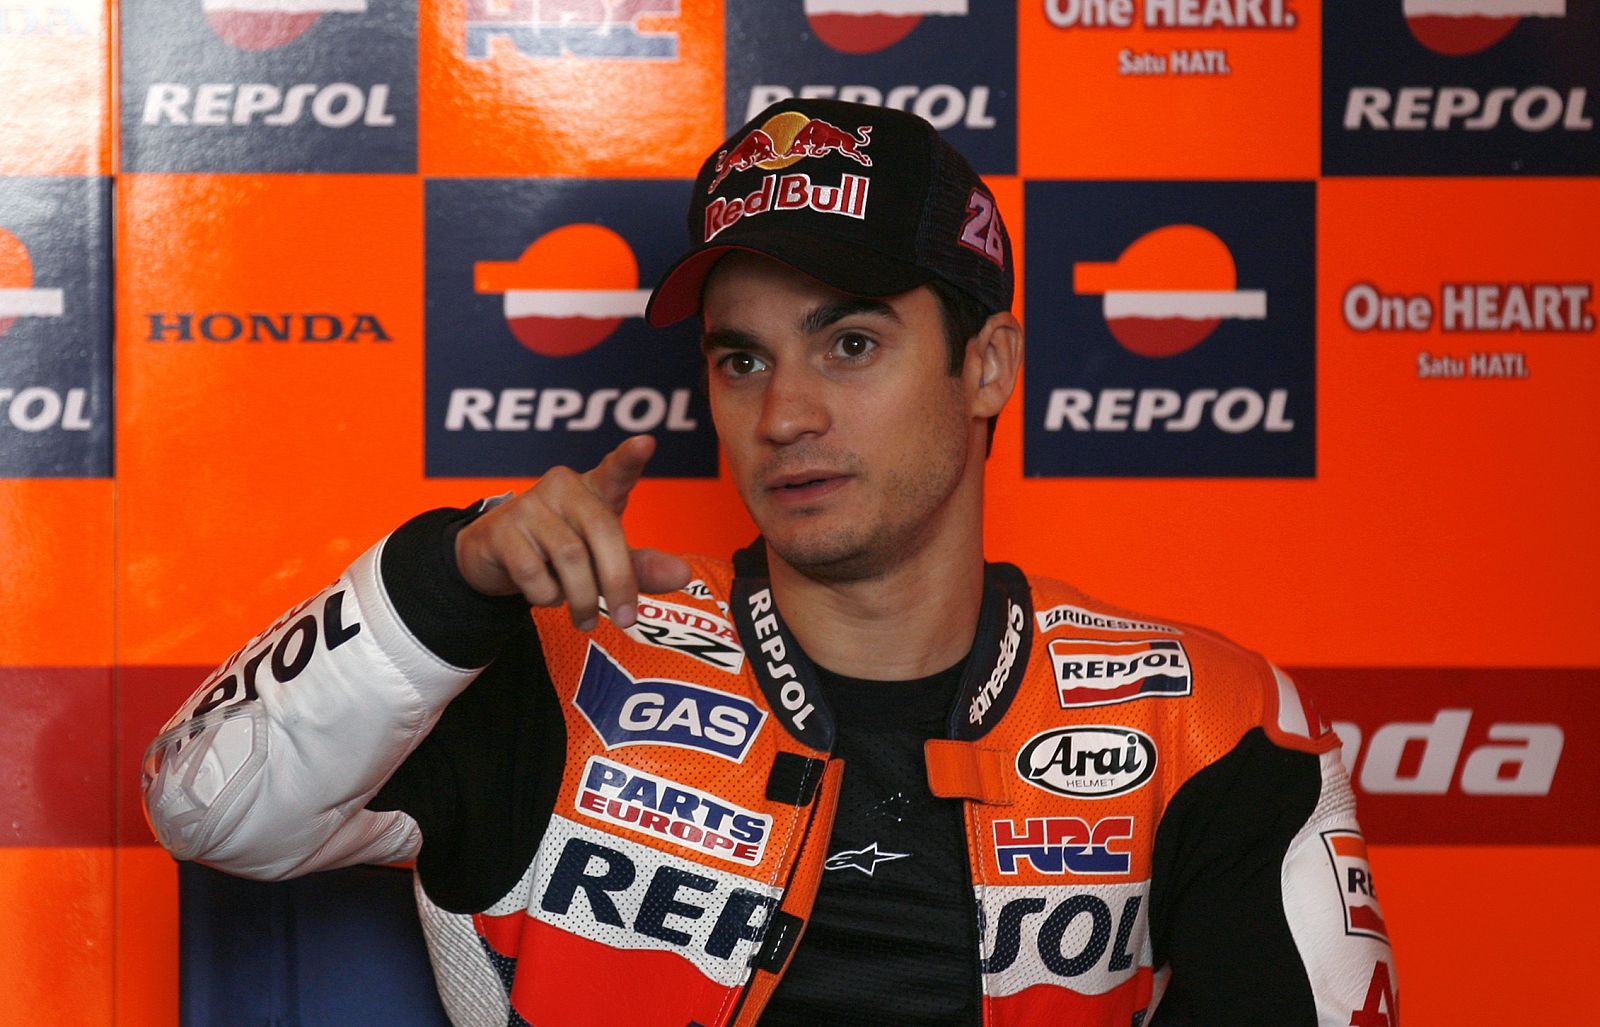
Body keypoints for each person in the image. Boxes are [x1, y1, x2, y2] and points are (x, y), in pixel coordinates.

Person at [142, 99, 1397, 1026]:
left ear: (988, 367)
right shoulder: (551, 660)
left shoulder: (1204, 720)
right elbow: (208, 809)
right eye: (741, 359)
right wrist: (445, 582)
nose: (784, 413)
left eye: (848, 344)